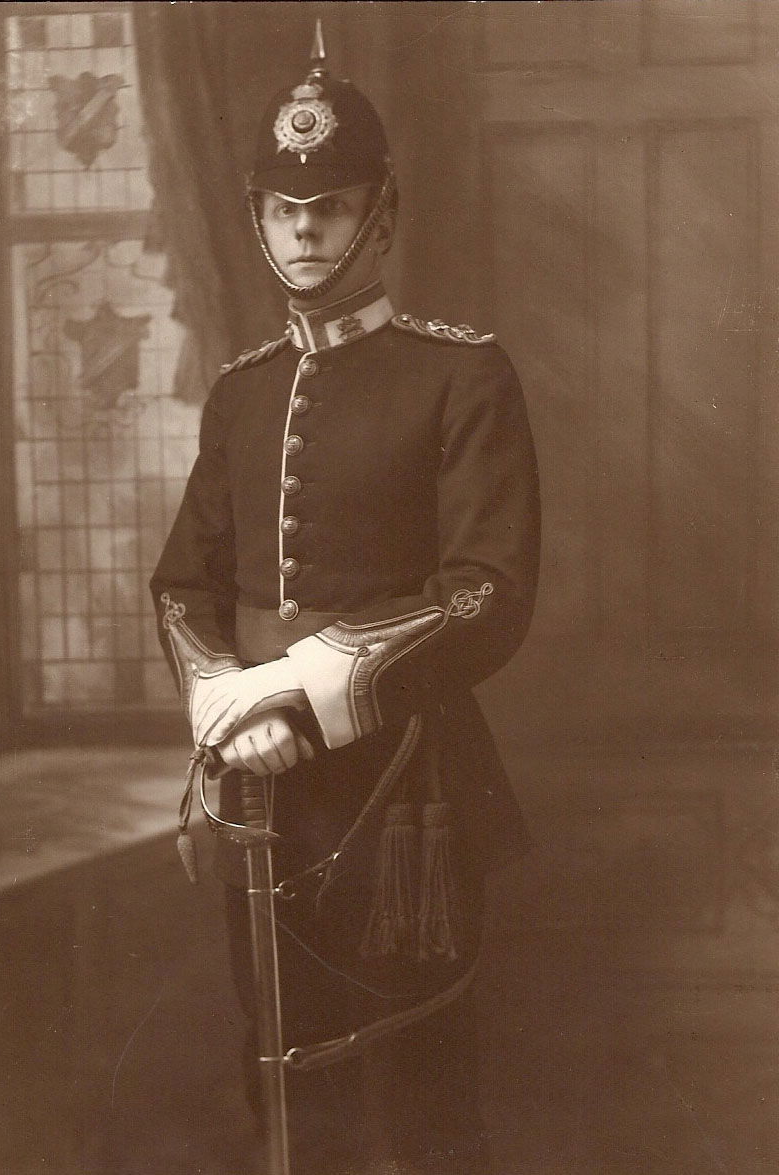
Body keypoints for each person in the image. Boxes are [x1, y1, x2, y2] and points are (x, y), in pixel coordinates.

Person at [150, 24, 540, 1175]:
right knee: (283, 1080)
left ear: (382, 212)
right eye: (282, 207)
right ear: (258, 218)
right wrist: (227, 697)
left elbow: (487, 593)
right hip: (258, 793)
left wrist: (299, 688)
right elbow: (184, 582)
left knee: (421, 1106)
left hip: (406, 785)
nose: (305, 227)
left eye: (330, 203)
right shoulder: (239, 392)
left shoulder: (462, 372)